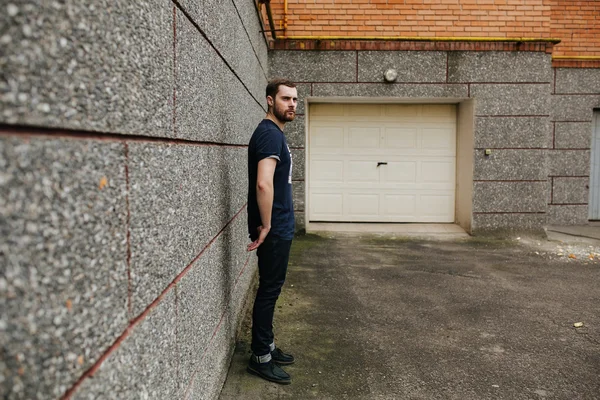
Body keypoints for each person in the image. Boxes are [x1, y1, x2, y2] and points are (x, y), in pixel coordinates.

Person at [246, 79, 298, 385]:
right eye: (285, 98)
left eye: (294, 99)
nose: (292, 104)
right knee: (268, 291)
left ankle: (267, 345)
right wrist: (266, 226)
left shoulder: (274, 133)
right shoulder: (268, 134)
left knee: (271, 289)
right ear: (270, 101)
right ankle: (260, 358)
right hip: (274, 228)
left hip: (278, 226)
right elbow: (263, 183)